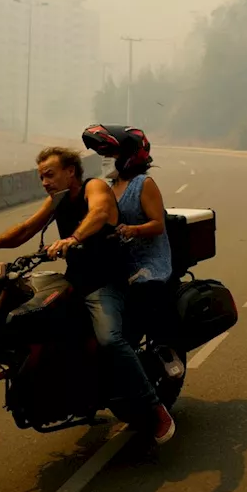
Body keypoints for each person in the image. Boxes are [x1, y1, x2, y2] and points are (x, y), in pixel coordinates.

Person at [0, 145, 175, 444]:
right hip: (74, 281)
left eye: (49, 175)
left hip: (105, 283)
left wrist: (74, 237)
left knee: (109, 340)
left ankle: (154, 407)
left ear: (70, 171)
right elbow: (26, 228)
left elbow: (100, 212)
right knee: (33, 320)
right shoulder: (58, 200)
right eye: (41, 177)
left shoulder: (95, 187)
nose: (45, 182)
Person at [82, 125, 183, 379]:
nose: (105, 160)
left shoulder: (143, 184)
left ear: (129, 156)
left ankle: (164, 347)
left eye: (110, 154)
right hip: (121, 259)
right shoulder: (105, 187)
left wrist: (132, 230)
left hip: (149, 259)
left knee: (143, 290)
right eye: (102, 154)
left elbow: (157, 224)